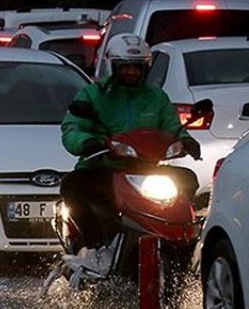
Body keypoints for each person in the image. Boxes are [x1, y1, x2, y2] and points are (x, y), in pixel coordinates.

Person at [59, 33, 201, 268]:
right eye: (125, 67)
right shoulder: (92, 95)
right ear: (112, 66)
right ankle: (95, 248)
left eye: (137, 67)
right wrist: (86, 142)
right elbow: (72, 127)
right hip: (103, 168)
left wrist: (186, 141)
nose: (131, 72)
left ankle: (182, 246)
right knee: (73, 186)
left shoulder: (156, 97)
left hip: (147, 171)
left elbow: (172, 127)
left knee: (186, 180)